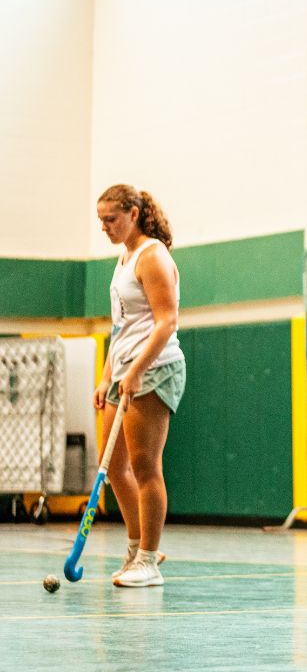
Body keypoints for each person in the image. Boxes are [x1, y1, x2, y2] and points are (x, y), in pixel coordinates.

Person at [93, 185, 185, 587]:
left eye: (111, 219)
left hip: (156, 368)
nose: (105, 227)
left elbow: (166, 322)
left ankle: (148, 561)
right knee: (114, 466)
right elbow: (121, 326)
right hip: (124, 369)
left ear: (133, 213)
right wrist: (107, 373)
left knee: (146, 465)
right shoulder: (124, 257)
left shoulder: (153, 256)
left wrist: (135, 371)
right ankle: (136, 548)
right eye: (101, 221)